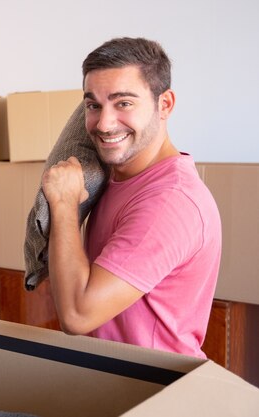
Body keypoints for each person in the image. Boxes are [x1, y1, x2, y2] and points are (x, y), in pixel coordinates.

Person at [42, 37, 221, 358]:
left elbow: (77, 316)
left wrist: (64, 204)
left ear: (164, 104)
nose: (104, 124)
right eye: (94, 105)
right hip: (102, 386)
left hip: (152, 395)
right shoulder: (111, 176)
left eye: (123, 103)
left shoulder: (169, 202)